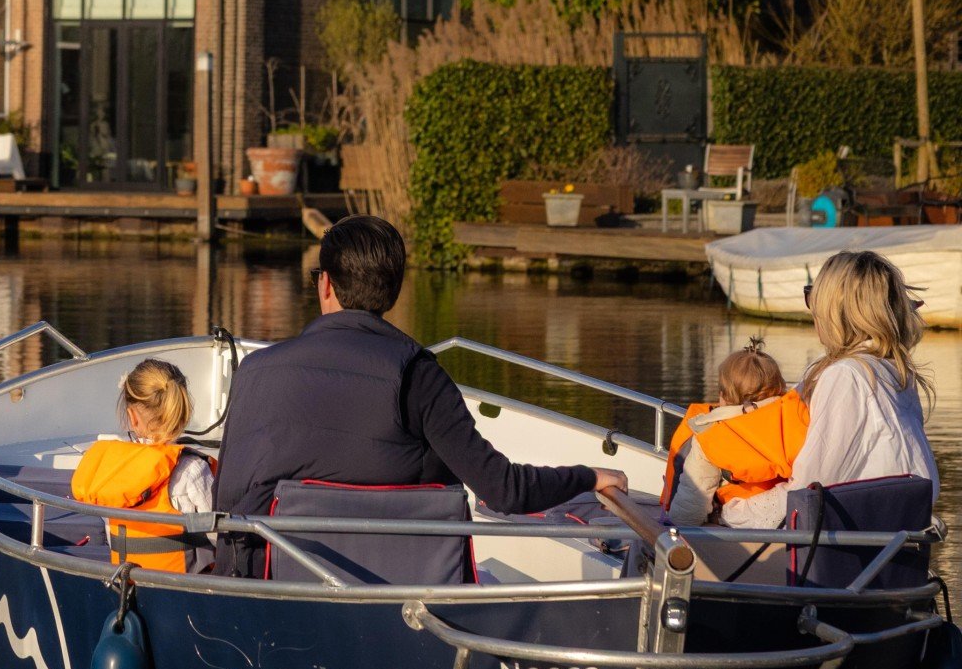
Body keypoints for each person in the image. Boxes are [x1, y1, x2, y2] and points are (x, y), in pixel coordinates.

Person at [212, 215, 627, 578]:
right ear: (393, 290)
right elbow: (505, 490)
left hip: (278, 592)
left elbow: (226, 503)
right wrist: (588, 476)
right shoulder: (418, 374)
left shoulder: (255, 371)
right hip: (402, 599)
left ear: (325, 284)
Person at [722, 250, 939, 530]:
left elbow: (809, 489)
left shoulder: (846, 376)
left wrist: (732, 513)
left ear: (835, 309)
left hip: (851, 542)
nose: (812, 309)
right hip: (894, 534)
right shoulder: (893, 372)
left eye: (815, 298)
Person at [71, 358, 216, 573]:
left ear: (132, 417)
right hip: (185, 586)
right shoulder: (193, 469)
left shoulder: (113, 469)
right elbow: (218, 536)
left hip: (128, 581)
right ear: (183, 411)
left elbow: (112, 535)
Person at [661, 339, 808, 527]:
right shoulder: (796, 420)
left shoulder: (712, 436)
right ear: (779, 389)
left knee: (720, 512)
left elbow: (692, 502)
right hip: (791, 508)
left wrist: (679, 524)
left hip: (742, 519)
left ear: (723, 396)